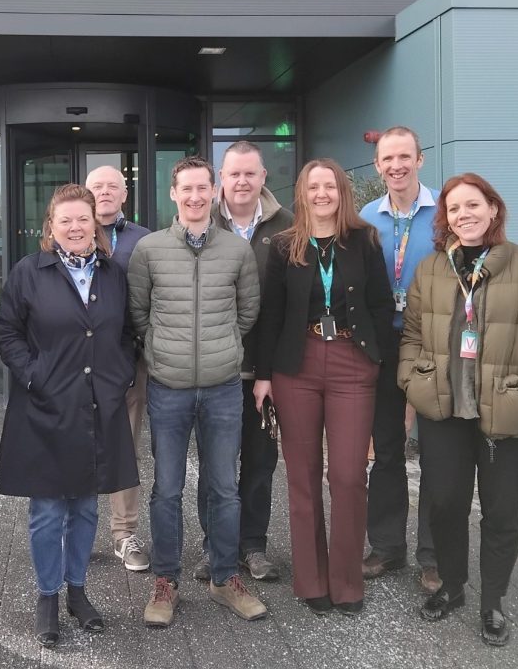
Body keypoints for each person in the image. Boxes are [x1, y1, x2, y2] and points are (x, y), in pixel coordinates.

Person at [398, 172, 518, 646]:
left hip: (507, 416)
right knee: (444, 504)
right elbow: (412, 333)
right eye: (455, 209)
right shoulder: (434, 270)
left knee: (501, 513)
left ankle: (492, 602)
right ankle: (454, 586)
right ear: (447, 219)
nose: (465, 215)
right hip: (444, 412)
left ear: (493, 209)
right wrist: (412, 382)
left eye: (473, 205)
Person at [0, 184, 138, 647]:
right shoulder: (28, 273)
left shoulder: (114, 273)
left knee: (86, 504)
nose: (76, 228)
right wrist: (36, 376)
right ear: (50, 228)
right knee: (48, 509)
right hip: (45, 407)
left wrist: (116, 378)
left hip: (99, 404)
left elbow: (127, 333)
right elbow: (7, 333)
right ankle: (48, 597)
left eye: (83, 220)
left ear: (95, 225)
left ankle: (78, 592)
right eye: (66, 221)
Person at [128, 155, 266, 628]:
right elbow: (139, 315)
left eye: (202, 188)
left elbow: (247, 313)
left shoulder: (237, 251)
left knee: (224, 488)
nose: (194, 196)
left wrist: (221, 350)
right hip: (168, 388)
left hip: (224, 387)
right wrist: (163, 353)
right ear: (173, 194)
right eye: (185, 189)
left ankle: (225, 577)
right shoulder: (148, 250)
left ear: (215, 192)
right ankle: (166, 579)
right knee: (167, 489)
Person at [253, 159, 394, 616]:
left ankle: (347, 581)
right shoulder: (282, 246)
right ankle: (311, 580)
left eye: (329, 186)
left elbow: (380, 304)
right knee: (303, 476)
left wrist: (379, 362)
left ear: (341, 192)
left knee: (349, 476)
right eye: (313, 186)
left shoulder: (364, 241)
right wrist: (263, 375)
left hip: (354, 362)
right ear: (302, 193)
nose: (321, 194)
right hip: (298, 364)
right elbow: (270, 315)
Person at [193, 141, 293, 583]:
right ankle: (214, 544)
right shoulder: (199, 223)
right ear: (221, 178)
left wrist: (271, 371)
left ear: (263, 177)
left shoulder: (288, 226)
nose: (241, 182)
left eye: (250, 174)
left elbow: (289, 303)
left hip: (264, 371)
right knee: (215, 465)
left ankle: (253, 545)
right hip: (213, 367)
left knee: (259, 460)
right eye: (233, 174)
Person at [359, 126, 440, 592]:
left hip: (433, 344)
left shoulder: (443, 213)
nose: (396, 166)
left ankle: (433, 554)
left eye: (404, 156)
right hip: (385, 345)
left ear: (419, 159)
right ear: (377, 166)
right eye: (388, 159)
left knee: (436, 452)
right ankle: (387, 547)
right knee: (386, 451)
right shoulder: (368, 217)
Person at [85, 165, 152, 572]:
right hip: (76, 363)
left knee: (124, 445)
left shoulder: (144, 241)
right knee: (74, 442)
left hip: (128, 361)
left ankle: (124, 534)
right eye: (97, 186)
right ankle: (73, 531)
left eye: (113, 186)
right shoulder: (67, 234)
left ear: (125, 194)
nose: (105, 192)